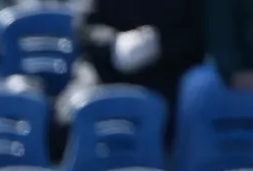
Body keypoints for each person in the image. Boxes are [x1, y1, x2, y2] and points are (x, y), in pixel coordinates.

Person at [58, 0, 207, 140]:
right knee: (68, 120)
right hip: (104, 71)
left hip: (167, 75)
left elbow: (201, 30)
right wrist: (114, 44)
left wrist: (159, 43)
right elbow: (86, 26)